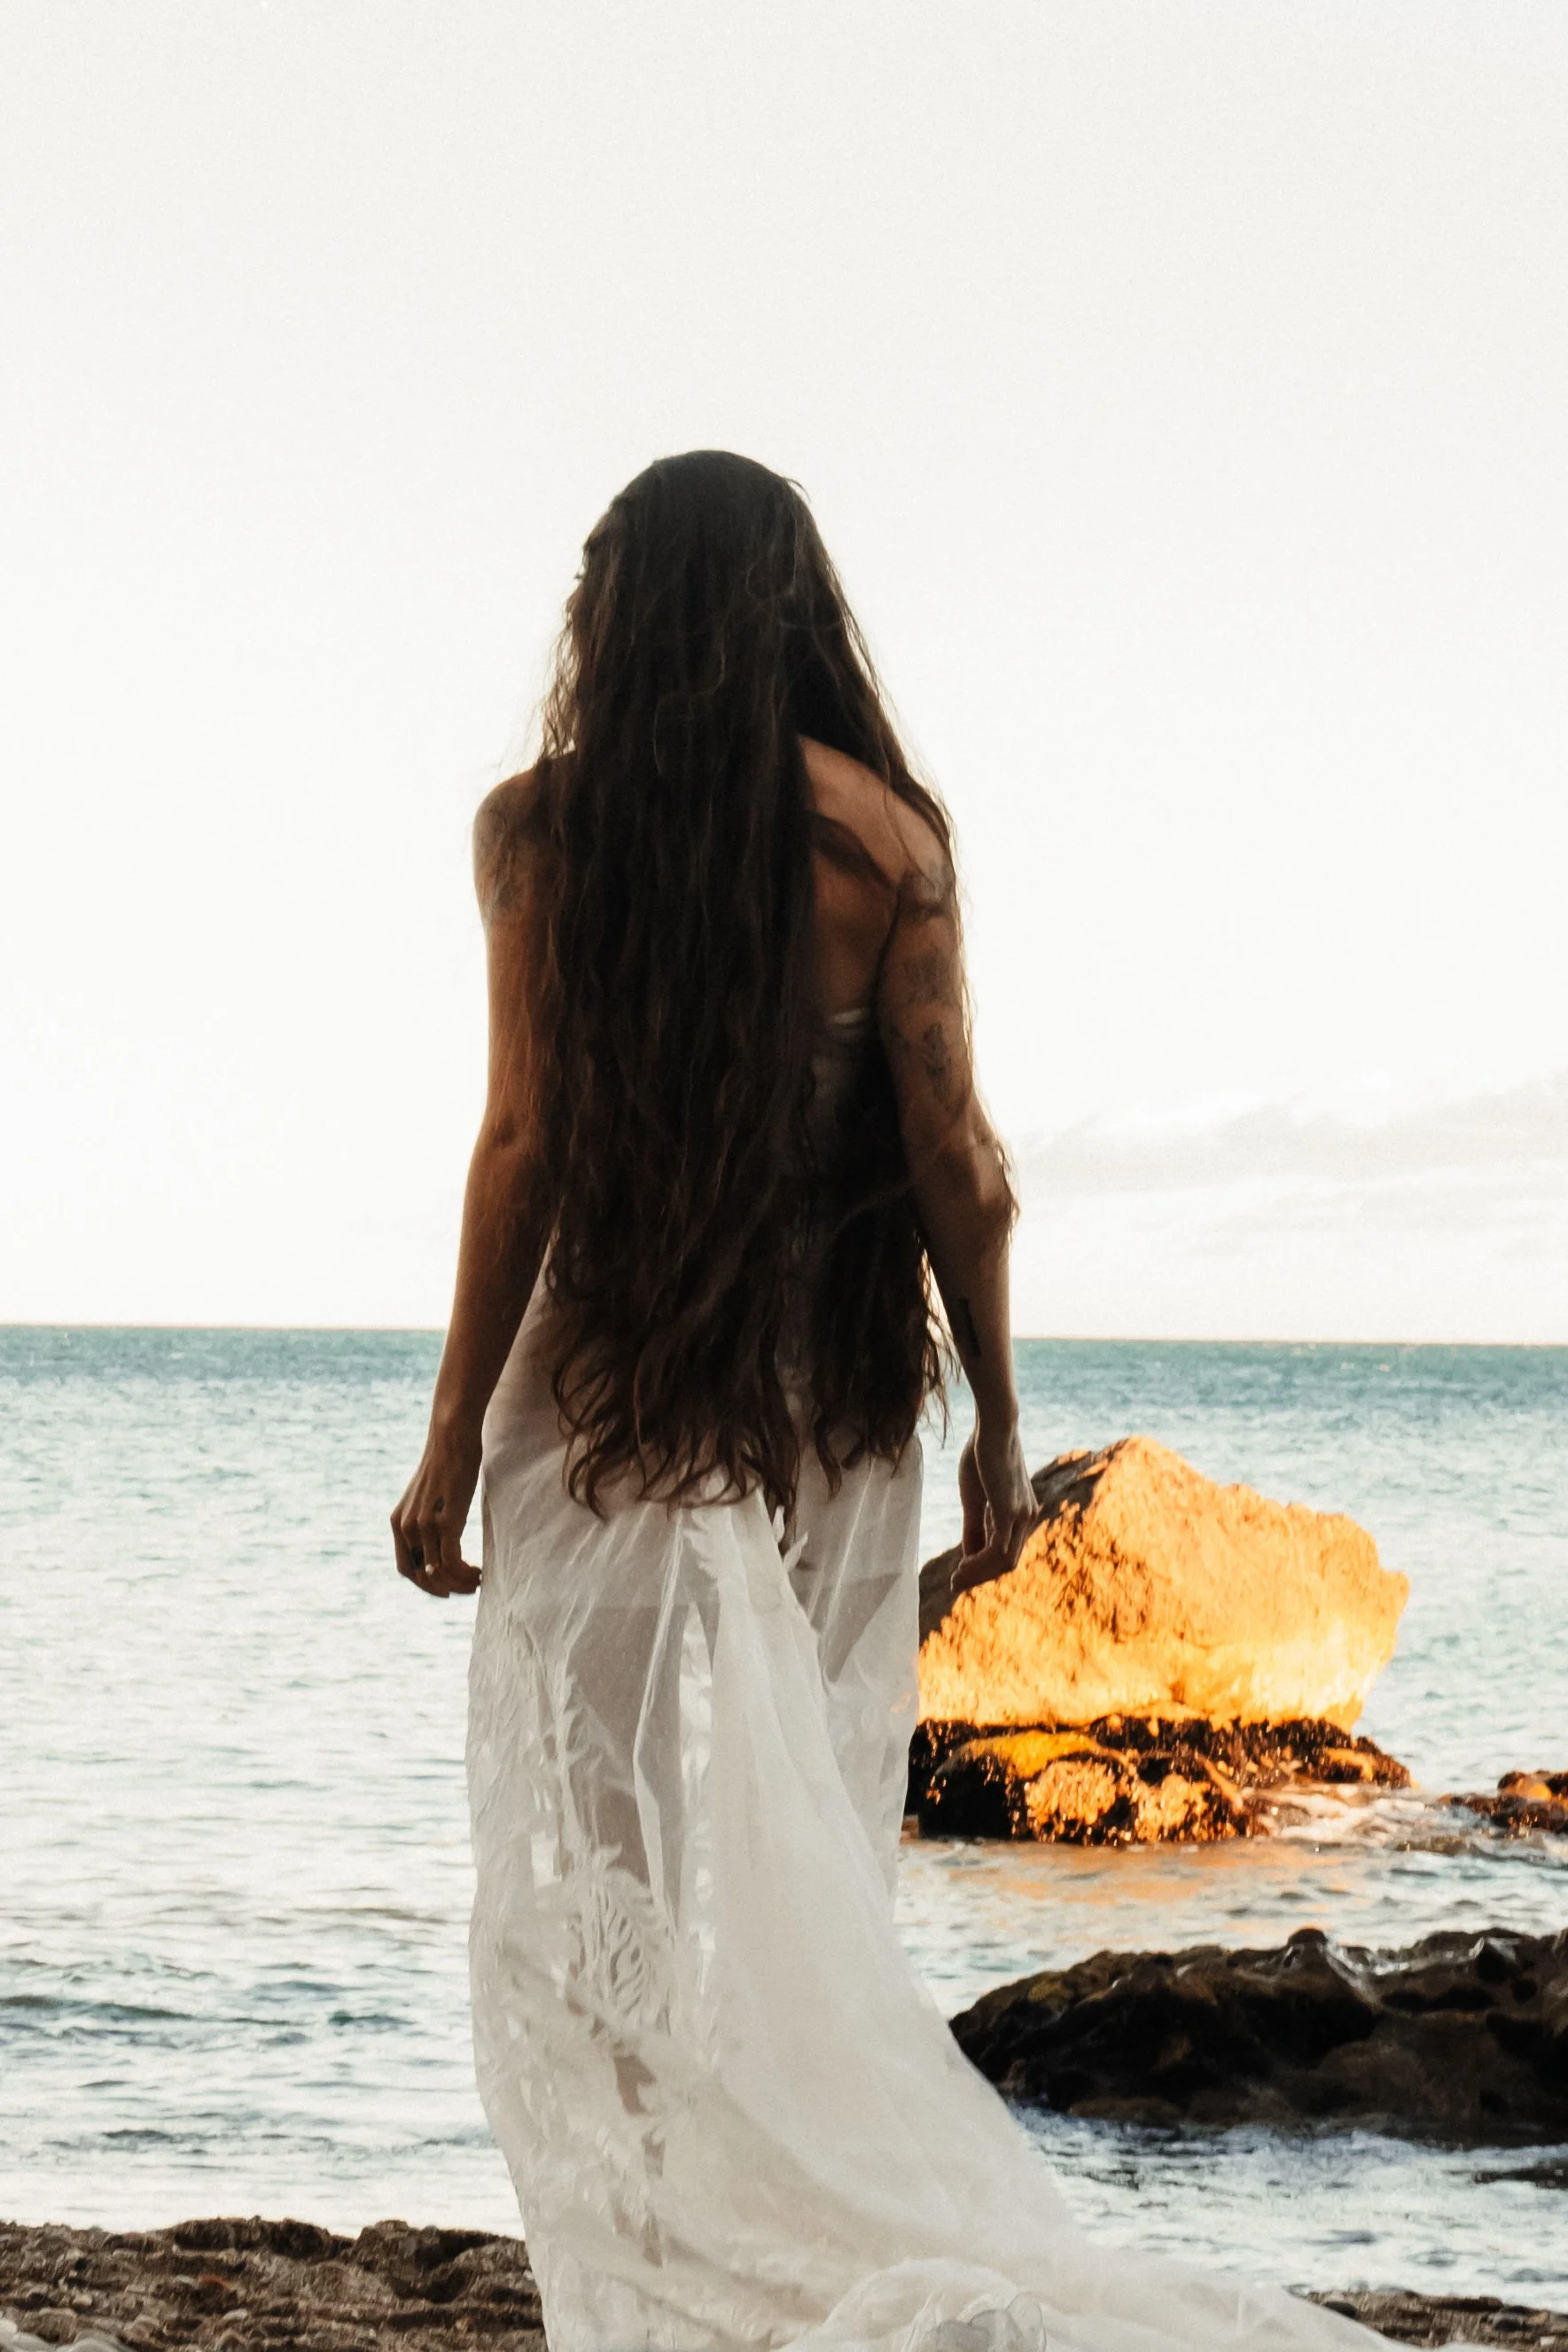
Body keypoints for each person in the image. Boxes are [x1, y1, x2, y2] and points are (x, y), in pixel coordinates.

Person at [393, 454, 1392, 2351]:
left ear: (616, 613)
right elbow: (954, 1158)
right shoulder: (884, 844)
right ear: (789, 607)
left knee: (592, 1845)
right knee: (807, 1844)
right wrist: (998, 1421)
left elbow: (520, 1141)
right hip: (820, 1391)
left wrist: (447, 1437)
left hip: (605, 1380)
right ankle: (757, 2188)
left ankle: (649, 2256)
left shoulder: (537, 831)